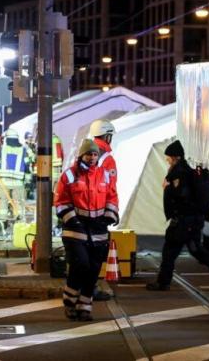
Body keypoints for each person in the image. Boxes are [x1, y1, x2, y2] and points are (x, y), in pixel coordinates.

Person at [146, 140, 209, 291]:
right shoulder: (186, 171)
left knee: (170, 251)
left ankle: (163, 282)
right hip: (192, 221)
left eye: (169, 158)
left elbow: (181, 195)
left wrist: (168, 187)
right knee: (196, 251)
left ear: (176, 158)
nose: (167, 161)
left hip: (184, 222)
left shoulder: (179, 173)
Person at [54, 139, 119, 321]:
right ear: (81, 154)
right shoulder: (69, 175)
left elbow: (112, 197)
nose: (92, 157)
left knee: (93, 269)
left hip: (98, 229)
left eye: (95, 154)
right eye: (89, 154)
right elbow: (60, 202)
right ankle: (69, 302)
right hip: (75, 229)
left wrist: (109, 216)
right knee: (80, 264)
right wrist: (73, 220)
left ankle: (85, 307)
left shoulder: (105, 175)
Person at [88, 119, 116, 301]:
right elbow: (111, 188)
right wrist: (112, 211)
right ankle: (91, 288)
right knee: (97, 252)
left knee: (84, 251)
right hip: (99, 211)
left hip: (83, 211)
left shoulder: (85, 153)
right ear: (107, 136)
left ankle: (84, 287)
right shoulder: (107, 159)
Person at [0, 129, 29, 219]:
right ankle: (19, 221)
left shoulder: (2, 149)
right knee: (19, 201)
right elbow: (27, 165)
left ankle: (2, 220)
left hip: (4, 181)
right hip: (18, 182)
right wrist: (28, 180)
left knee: (3, 200)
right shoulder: (23, 150)